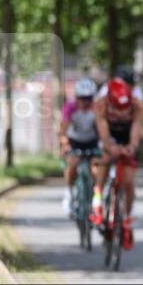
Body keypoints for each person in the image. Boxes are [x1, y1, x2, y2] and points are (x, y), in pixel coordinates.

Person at [91, 75, 143, 250]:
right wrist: (109, 146)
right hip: (109, 132)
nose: (122, 113)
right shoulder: (101, 104)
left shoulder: (137, 104)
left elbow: (136, 126)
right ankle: (98, 198)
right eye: (118, 109)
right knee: (105, 158)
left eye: (125, 109)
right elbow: (102, 126)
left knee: (129, 181)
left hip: (127, 133)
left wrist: (133, 146)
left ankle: (127, 220)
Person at [59, 78, 102, 216]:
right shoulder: (70, 107)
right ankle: (69, 193)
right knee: (72, 165)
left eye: (88, 98)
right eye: (82, 99)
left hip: (92, 140)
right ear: (77, 98)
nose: (85, 102)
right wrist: (65, 144)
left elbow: (103, 129)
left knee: (96, 169)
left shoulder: (97, 108)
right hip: (75, 141)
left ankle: (96, 198)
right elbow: (64, 129)